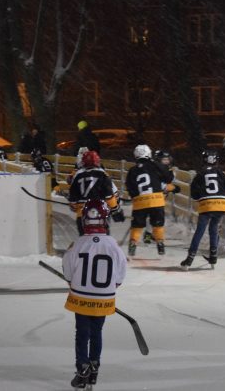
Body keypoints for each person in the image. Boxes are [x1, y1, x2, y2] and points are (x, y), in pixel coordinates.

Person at [62, 199, 128, 389]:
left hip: (81, 298)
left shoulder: (77, 244)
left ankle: (82, 369)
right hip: (103, 298)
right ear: (105, 220)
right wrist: (106, 290)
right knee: (97, 331)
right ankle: (94, 367)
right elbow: (120, 276)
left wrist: (72, 282)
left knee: (82, 333)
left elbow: (68, 271)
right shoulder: (113, 246)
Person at [181, 150, 225, 269]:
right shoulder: (222, 173)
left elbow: (194, 194)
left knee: (199, 232)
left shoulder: (200, 174)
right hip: (220, 205)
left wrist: (201, 198)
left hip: (206, 205)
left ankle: (190, 258)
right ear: (216, 161)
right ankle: (213, 256)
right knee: (214, 229)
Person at [125, 144, 173, 257]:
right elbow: (168, 178)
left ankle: (133, 243)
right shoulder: (155, 165)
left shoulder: (133, 170)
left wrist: (135, 197)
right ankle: (160, 243)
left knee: (137, 225)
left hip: (140, 201)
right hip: (156, 199)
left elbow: (130, 186)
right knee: (157, 224)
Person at [68, 150, 125, 234]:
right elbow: (109, 195)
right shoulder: (102, 174)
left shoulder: (78, 175)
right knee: (104, 239)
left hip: (82, 214)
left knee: (83, 239)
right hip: (100, 212)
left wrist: (74, 206)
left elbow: (72, 197)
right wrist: (115, 209)